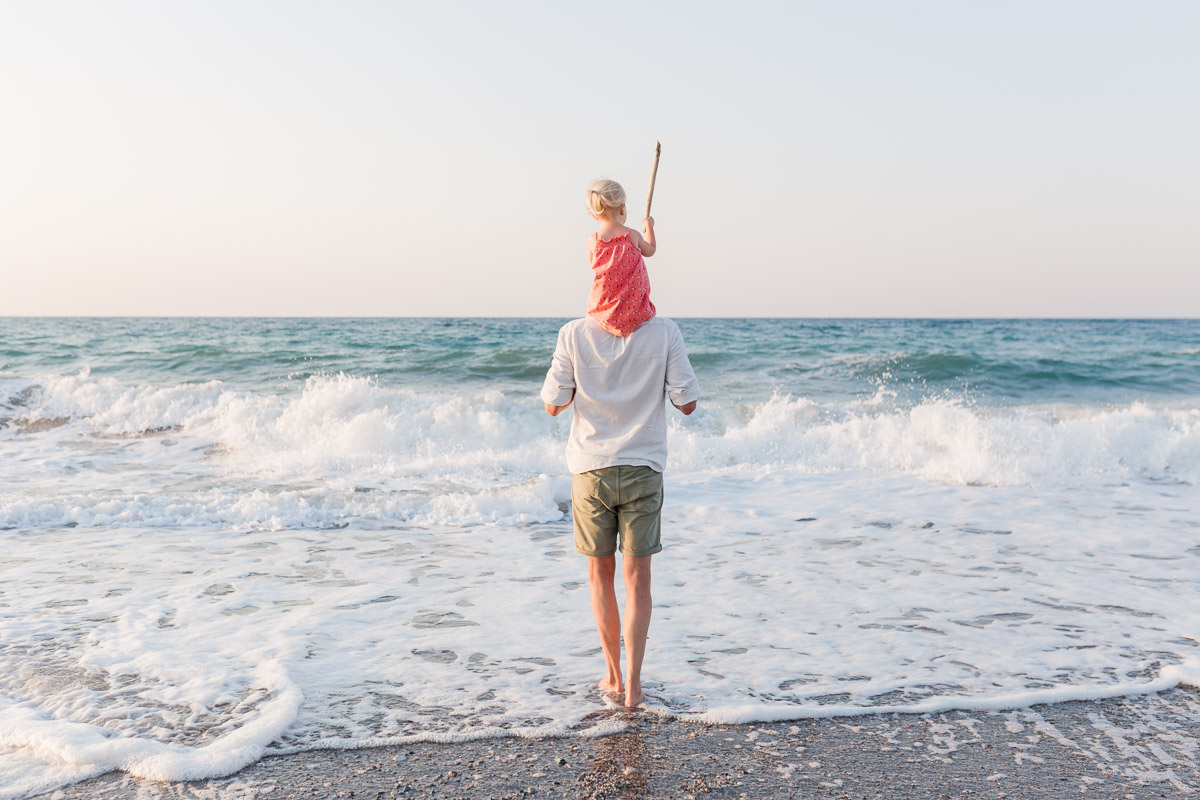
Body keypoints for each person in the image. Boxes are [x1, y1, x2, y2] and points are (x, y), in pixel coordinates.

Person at [541, 312, 699, 709]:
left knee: (600, 574)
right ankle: (634, 685)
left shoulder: (574, 334)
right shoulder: (665, 332)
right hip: (643, 469)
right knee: (638, 580)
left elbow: (553, 404)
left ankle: (612, 675)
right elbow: (688, 402)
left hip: (591, 470)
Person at [585, 179, 657, 337]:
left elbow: (594, 266)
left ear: (594, 213)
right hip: (635, 311)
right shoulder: (632, 235)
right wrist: (649, 225)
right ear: (623, 208)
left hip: (603, 311)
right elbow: (651, 250)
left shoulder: (593, 240)